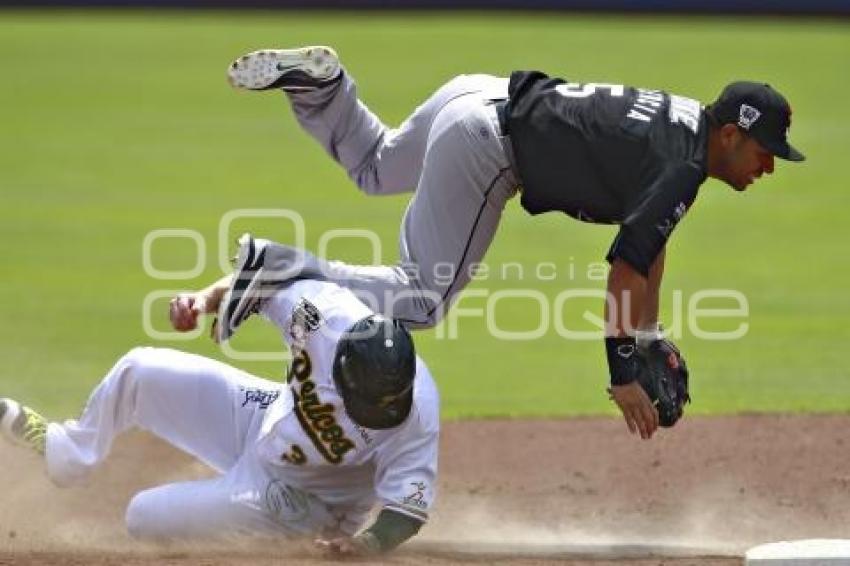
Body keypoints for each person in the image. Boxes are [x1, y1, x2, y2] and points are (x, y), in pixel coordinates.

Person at [224, 45, 804, 441]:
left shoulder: (686, 127)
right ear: (731, 135)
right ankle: (276, 268)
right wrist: (623, 372)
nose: (770, 167)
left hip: (476, 95)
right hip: (487, 146)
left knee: (376, 168)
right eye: (766, 152)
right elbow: (625, 270)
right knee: (422, 299)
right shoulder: (682, 166)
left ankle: (324, 90)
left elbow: (650, 240)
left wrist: (648, 333)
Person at [0, 234, 440, 556]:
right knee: (140, 369)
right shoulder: (324, 315)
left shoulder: (418, 411)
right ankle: (67, 452)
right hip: (264, 418)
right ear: (343, 366)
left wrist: (364, 544)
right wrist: (203, 300)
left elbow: (407, 509)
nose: (373, 412)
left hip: (301, 502)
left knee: (142, 516)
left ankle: (282, 536)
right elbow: (269, 270)